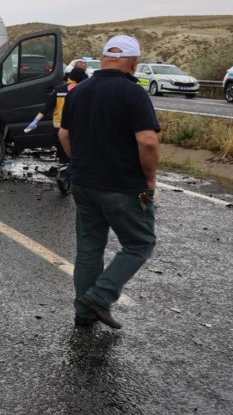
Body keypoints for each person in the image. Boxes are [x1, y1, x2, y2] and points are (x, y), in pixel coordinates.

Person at [59, 35, 160, 330]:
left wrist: (81, 163)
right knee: (140, 242)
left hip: (84, 182)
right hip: (123, 185)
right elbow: (148, 141)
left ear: (104, 59)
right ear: (134, 62)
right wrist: (150, 178)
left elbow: (64, 135)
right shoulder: (133, 92)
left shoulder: (78, 91)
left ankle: (84, 313)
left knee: (89, 247)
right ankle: (100, 297)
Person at [24, 64, 89, 194]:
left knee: (63, 156)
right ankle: (66, 178)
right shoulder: (83, 91)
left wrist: (35, 121)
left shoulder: (59, 90)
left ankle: (64, 179)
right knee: (76, 157)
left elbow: (46, 107)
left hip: (57, 129)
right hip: (75, 129)